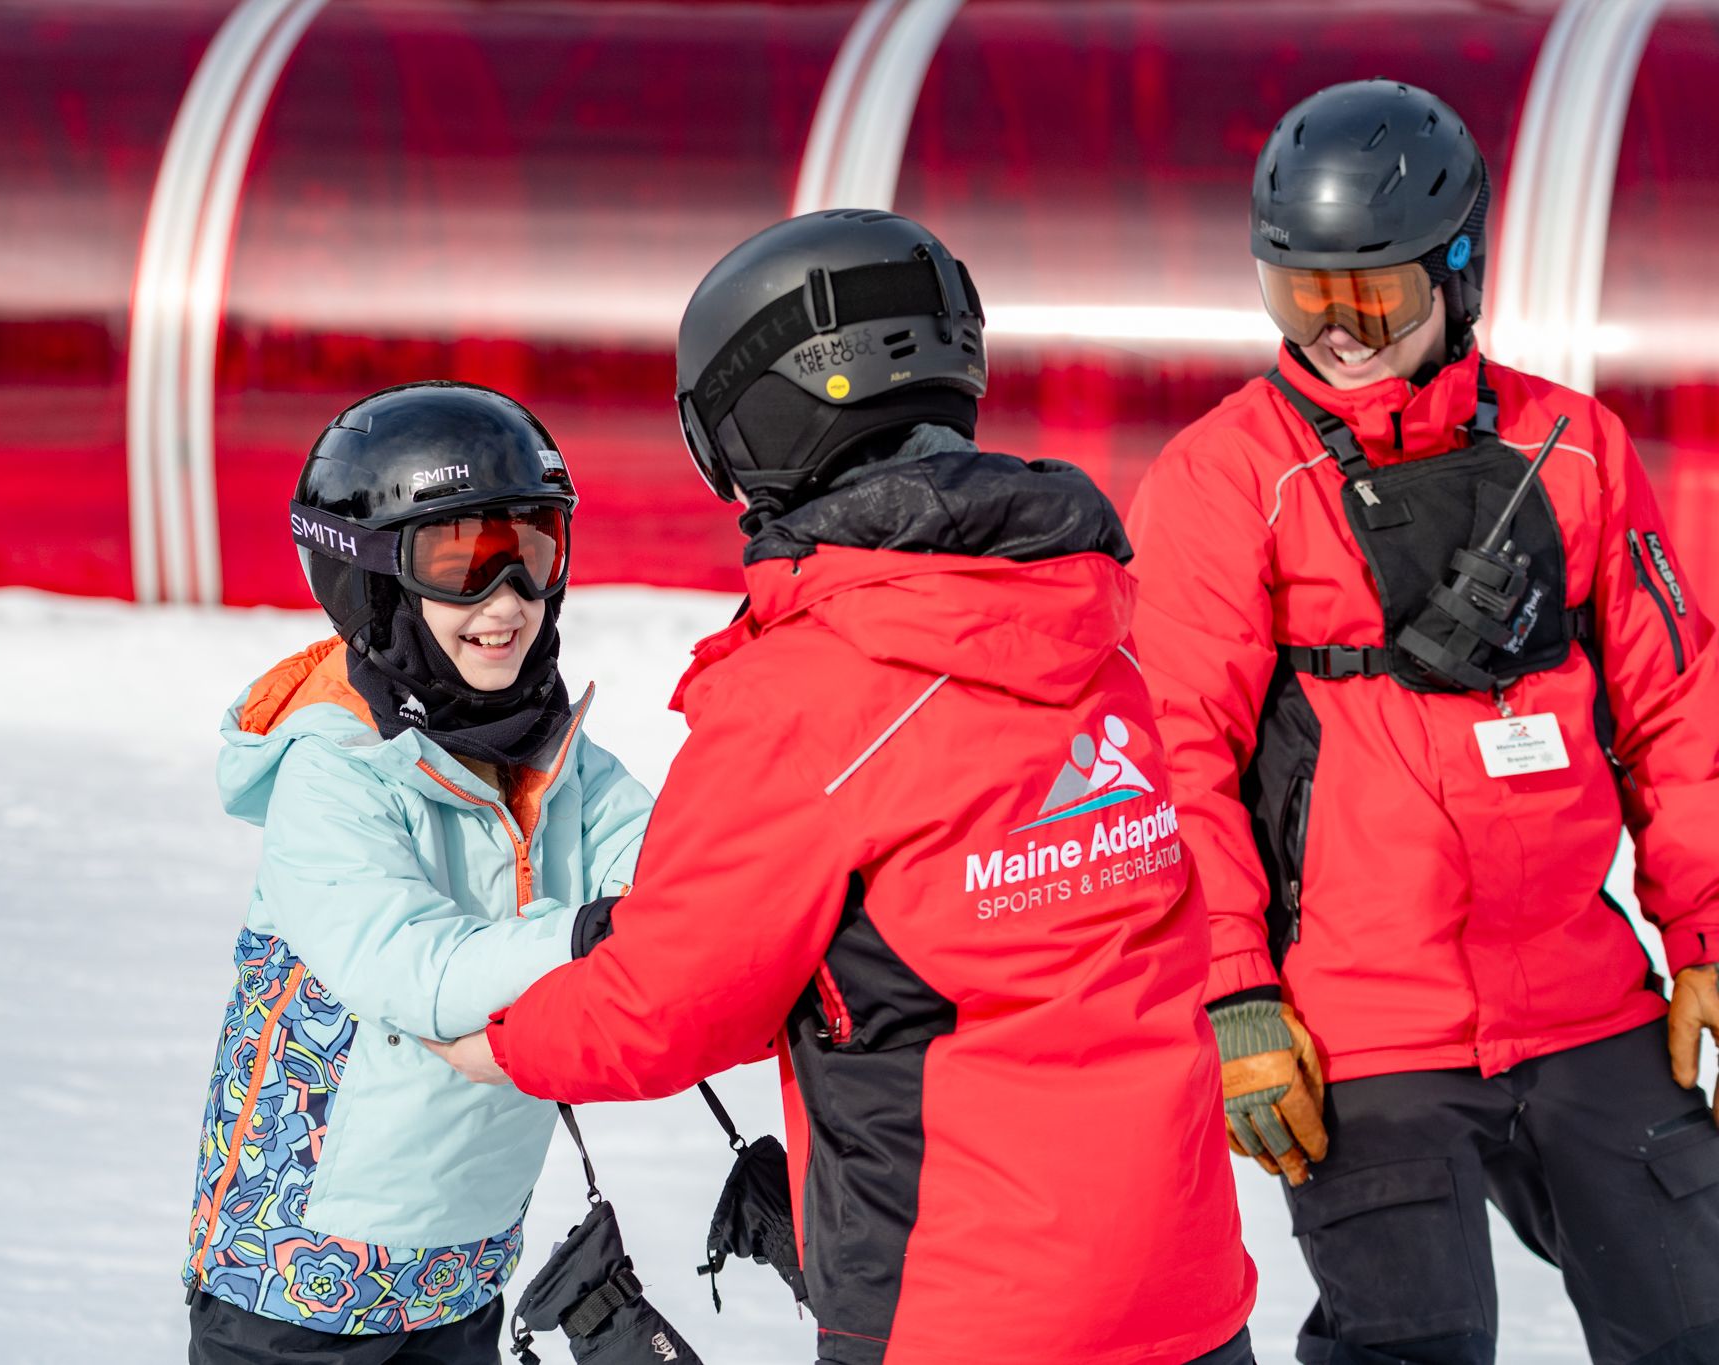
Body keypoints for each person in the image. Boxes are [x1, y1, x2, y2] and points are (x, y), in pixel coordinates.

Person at [430, 210, 1258, 1365]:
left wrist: (493, 1035)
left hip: (958, 1306)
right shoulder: (1092, 628)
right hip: (1184, 1291)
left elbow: (675, 1001)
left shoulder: (812, 683)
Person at [1125, 79, 1719, 1365]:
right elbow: (1180, 761)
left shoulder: (1575, 446)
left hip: (1583, 1001)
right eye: (1301, 294)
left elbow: (1676, 714)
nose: (1335, 330)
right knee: (1413, 1347)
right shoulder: (1222, 475)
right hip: (1357, 1026)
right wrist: (1234, 994)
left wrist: (1706, 935)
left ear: (1459, 271)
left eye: (1371, 295)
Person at [179, 382, 653, 1364]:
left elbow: (676, 878)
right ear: (374, 577)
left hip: (457, 1276)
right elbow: (412, 970)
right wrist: (587, 937)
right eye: (461, 561)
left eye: (532, 551)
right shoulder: (331, 770)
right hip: (294, 1293)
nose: (507, 600)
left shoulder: (551, 758)